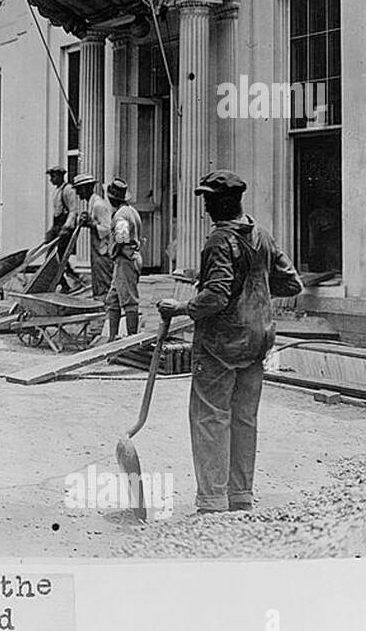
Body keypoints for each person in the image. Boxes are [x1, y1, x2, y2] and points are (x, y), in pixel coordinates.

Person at [157, 171, 303, 514]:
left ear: (221, 203)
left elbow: (216, 297)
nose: (205, 206)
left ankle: (212, 501)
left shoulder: (219, 241)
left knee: (210, 417)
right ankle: (240, 496)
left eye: (208, 199)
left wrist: (180, 307)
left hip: (221, 343)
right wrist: (255, 290)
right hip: (256, 341)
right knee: (244, 419)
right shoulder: (263, 236)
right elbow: (291, 283)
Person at [105, 177, 142, 338]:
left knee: (129, 301)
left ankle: (131, 340)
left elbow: (121, 238)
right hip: (129, 258)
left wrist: (113, 252)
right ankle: (112, 338)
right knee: (112, 299)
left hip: (125, 259)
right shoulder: (131, 211)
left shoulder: (121, 215)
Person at [41, 165, 82, 293]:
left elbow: (73, 210)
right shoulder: (57, 190)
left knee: (58, 256)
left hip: (65, 227)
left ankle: (70, 281)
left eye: (53, 176)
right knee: (52, 256)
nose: (51, 179)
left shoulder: (68, 189)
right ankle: (69, 280)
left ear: (60, 176)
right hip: (57, 226)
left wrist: (66, 227)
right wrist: (52, 230)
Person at [74, 173, 113, 299]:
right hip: (97, 248)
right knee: (97, 277)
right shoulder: (92, 204)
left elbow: (107, 228)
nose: (78, 193)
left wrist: (91, 224)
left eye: (80, 189)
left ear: (87, 188)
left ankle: (107, 305)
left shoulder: (98, 205)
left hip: (103, 248)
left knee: (103, 278)